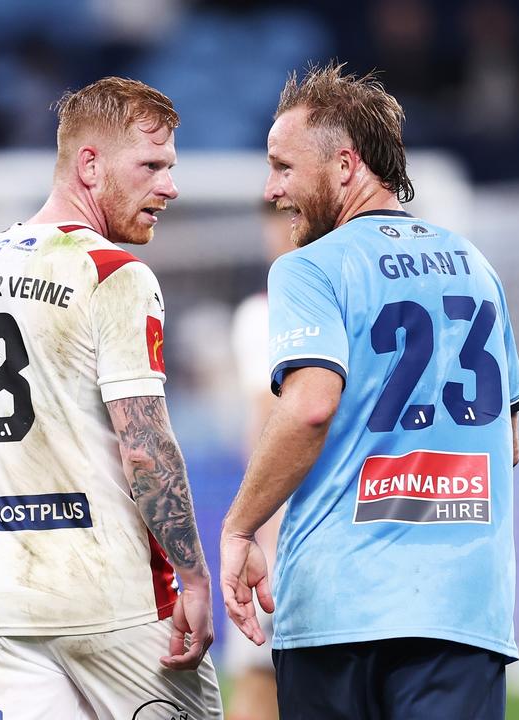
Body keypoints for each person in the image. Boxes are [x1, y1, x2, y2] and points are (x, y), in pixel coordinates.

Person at [219, 63, 519, 720]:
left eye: (282, 167)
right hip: (460, 609)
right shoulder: (477, 266)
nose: (272, 190)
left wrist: (239, 526)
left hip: (339, 606)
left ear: (345, 165)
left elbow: (308, 405)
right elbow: (508, 436)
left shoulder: (307, 268)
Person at [0, 77, 222, 720]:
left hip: (3, 605)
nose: (170, 186)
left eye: (170, 168)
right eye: (151, 166)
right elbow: (145, 447)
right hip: (114, 600)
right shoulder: (113, 274)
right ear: (90, 165)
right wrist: (195, 577)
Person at [222, 201, 294, 720]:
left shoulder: (271, 313)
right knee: (258, 677)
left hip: (292, 529)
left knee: (259, 680)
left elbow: (270, 423)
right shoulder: (260, 315)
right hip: (283, 525)